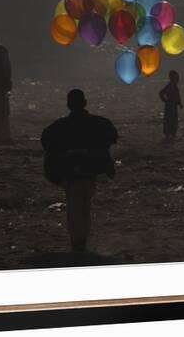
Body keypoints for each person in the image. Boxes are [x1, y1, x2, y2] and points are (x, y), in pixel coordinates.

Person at [41, 89, 118, 253]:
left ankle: (78, 243)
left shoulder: (58, 127)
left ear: (68, 105)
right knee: (85, 206)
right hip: (89, 171)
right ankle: (81, 243)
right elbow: (112, 138)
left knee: (75, 207)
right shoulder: (99, 123)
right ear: (84, 103)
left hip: (70, 172)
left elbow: (47, 143)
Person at [159, 70, 183, 140]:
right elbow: (161, 93)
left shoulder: (174, 86)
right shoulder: (169, 86)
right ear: (172, 78)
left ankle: (173, 134)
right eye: (176, 77)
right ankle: (168, 134)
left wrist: (180, 103)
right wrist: (165, 101)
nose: (177, 79)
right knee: (169, 120)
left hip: (174, 106)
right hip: (169, 106)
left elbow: (178, 96)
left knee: (174, 120)